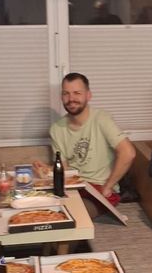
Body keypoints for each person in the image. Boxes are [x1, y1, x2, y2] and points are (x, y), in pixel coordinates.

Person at [49, 73, 135, 212]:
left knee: (71, 214)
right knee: (42, 209)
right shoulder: (56, 129)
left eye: (77, 93)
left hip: (99, 189)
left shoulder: (102, 119)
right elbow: (64, 171)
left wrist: (108, 187)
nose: (71, 99)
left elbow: (128, 152)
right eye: (66, 94)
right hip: (74, 188)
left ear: (88, 95)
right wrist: (45, 171)